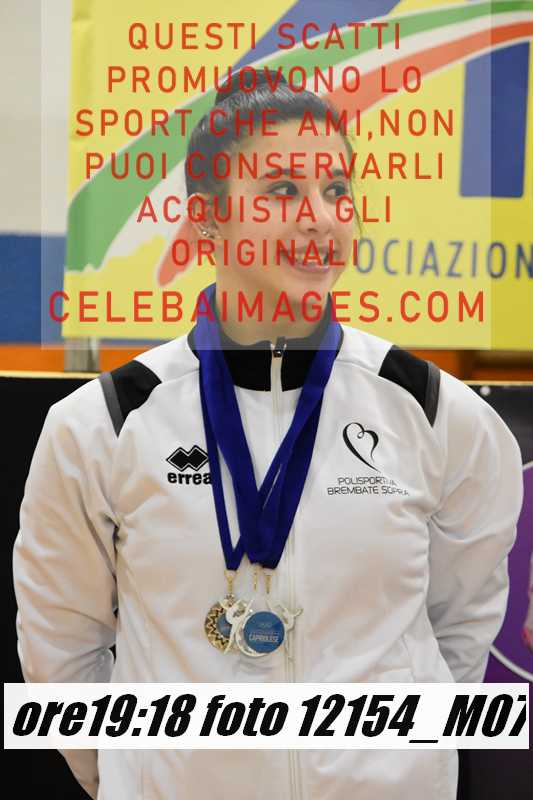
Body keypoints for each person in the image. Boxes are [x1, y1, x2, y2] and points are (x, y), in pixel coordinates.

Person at [13, 74, 524, 800]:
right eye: (282, 190)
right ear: (205, 219)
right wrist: (140, 778)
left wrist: (406, 765)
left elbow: (462, 626)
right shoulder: (101, 425)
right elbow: (61, 647)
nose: (321, 218)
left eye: (336, 190)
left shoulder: (436, 412)